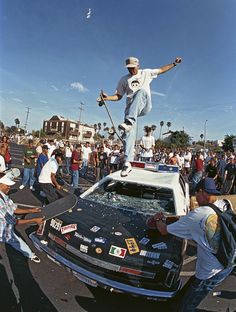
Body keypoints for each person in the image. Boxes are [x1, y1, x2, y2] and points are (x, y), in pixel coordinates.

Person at [146, 177, 233, 312]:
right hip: (227, 262)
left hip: (210, 271)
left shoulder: (198, 215)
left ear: (202, 192)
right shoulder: (225, 204)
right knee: (191, 288)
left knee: (188, 305)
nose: (195, 199)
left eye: (196, 194)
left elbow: (163, 230)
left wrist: (158, 219)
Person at [99, 56, 182, 176]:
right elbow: (118, 96)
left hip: (144, 105)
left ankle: (129, 122)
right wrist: (107, 98)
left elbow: (161, 70)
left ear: (138, 65)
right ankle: (127, 163)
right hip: (131, 110)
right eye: (128, 68)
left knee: (141, 91)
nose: (130, 70)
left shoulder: (146, 73)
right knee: (129, 133)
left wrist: (174, 63)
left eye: (132, 68)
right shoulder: (124, 80)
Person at [0, 172, 43, 263]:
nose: (9, 187)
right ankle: (30, 254)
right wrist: (34, 220)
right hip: (3, 228)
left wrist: (32, 210)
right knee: (16, 241)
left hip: (5, 225)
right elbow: (14, 221)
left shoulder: (4, 196)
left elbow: (14, 209)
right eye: (7, 185)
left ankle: (30, 254)